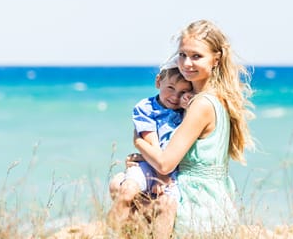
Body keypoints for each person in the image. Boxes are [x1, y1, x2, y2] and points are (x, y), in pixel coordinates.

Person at [133, 19, 255, 237]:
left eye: (196, 56)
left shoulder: (201, 105)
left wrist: (139, 141)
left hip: (193, 205)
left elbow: (165, 163)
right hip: (214, 203)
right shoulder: (217, 99)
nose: (186, 63)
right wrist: (144, 158)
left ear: (216, 60)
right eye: (182, 55)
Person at [107, 63, 193, 236]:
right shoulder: (146, 108)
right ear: (158, 81)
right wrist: (161, 175)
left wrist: (188, 105)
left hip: (174, 171)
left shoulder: (186, 111)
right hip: (150, 164)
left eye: (183, 92)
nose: (175, 97)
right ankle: (110, 230)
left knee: (167, 205)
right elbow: (151, 142)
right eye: (170, 88)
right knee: (128, 190)